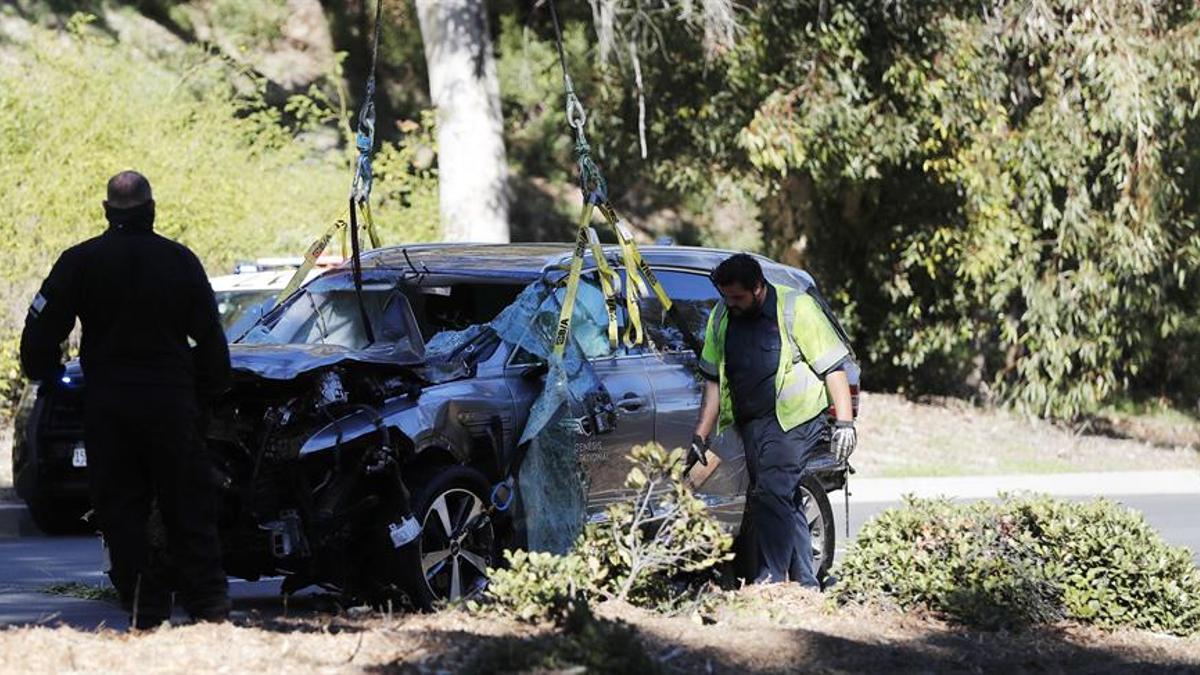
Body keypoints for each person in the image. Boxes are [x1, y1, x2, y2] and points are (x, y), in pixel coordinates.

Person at [20, 171, 232, 629]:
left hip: (109, 407)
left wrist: (51, 376)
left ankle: (144, 608)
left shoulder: (80, 262)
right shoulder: (180, 261)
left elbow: (41, 329)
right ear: (152, 210)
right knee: (188, 505)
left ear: (105, 211)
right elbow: (211, 339)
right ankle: (210, 609)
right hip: (171, 404)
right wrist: (211, 390)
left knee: (122, 510)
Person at [692, 253, 856, 587]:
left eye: (737, 297)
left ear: (758, 287)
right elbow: (713, 381)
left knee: (772, 491)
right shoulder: (722, 316)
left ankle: (771, 578)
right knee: (783, 497)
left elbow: (833, 368)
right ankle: (806, 585)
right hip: (752, 423)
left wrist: (844, 423)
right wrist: (700, 436)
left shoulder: (796, 309)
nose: (731, 304)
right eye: (726, 296)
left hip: (797, 419)